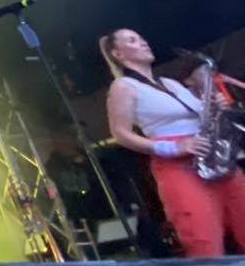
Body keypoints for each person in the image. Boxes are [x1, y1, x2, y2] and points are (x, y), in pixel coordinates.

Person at [101, 28, 245, 257]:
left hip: (213, 157)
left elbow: (200, 115)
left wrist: (215, 105)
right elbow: (120, 134)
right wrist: (171, 147)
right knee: (204, 241)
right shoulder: (124, 87)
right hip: (178, 166)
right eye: (133, 40)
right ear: (118, 54)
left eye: (141, 38)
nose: (143, 42)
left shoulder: (169, 83)